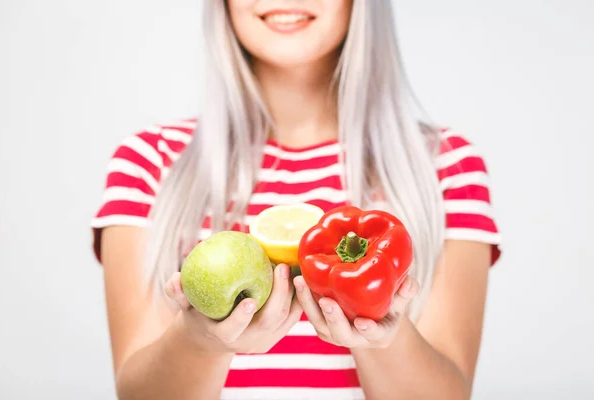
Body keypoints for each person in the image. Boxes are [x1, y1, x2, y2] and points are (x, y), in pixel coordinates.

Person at [91, 1, 502, 399]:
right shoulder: (152, 162)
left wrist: (379, 334)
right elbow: (139, 396)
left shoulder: (445, 166)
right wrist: (202, 342)